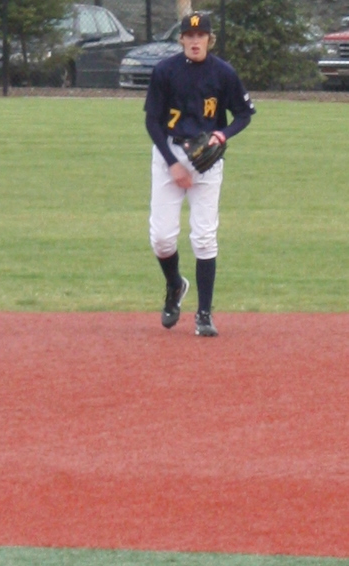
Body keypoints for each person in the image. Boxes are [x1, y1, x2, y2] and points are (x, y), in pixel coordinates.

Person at [145, 12, 253, 337]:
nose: (195, 41)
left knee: (204, 237)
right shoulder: (165, 71)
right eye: (189, 36)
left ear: (209, 39)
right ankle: (175, 284)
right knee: (162, 239)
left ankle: (204, 314)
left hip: (207, 158)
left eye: (201, 35)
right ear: (181, 39)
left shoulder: (224, 73)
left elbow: (244, 113)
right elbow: (152, 121)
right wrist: (172, 163)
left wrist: (224, 134)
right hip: (169, 153)